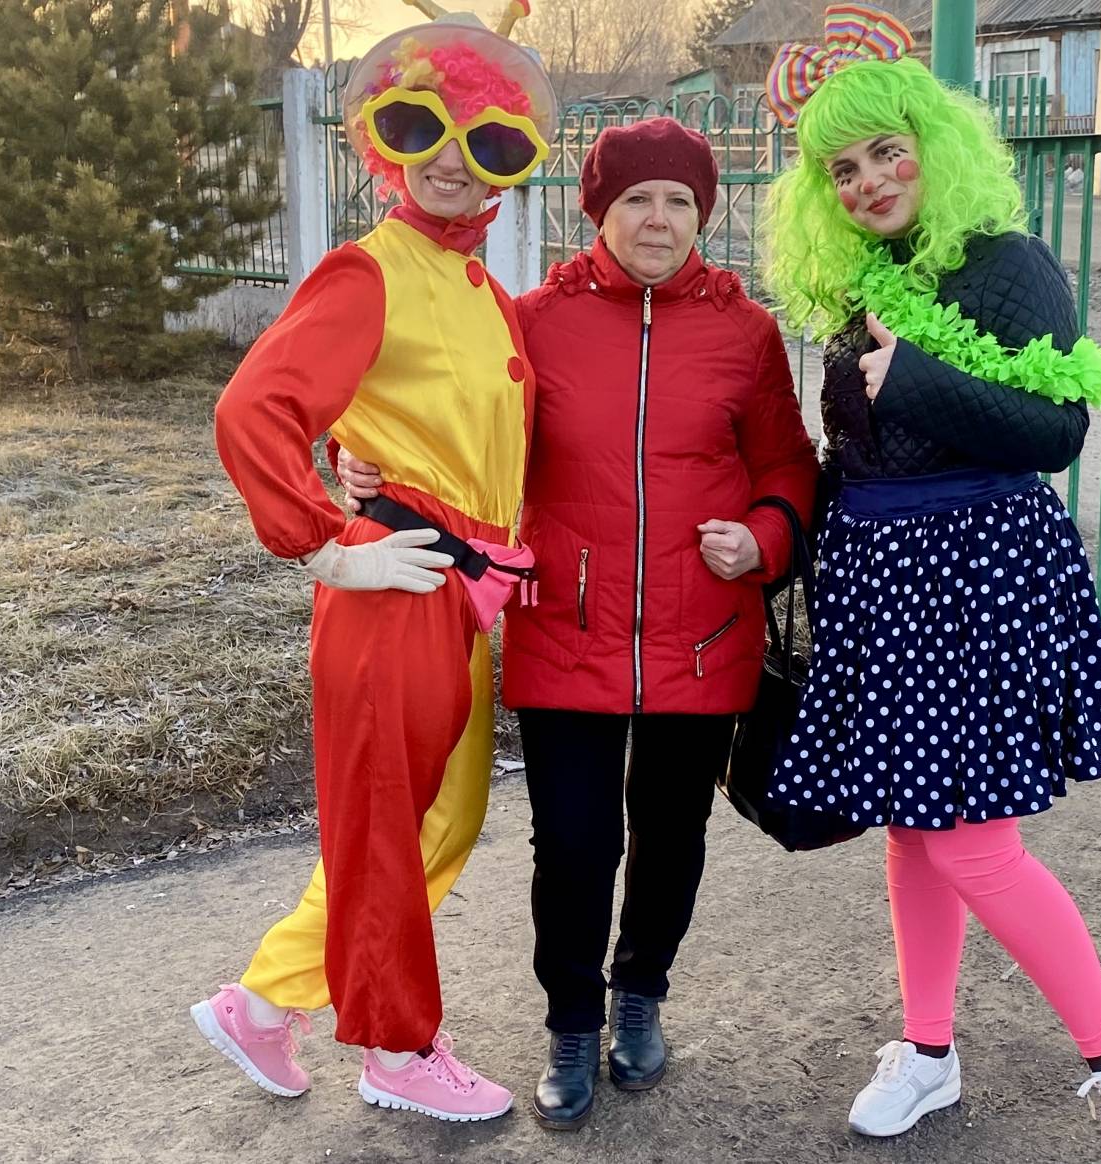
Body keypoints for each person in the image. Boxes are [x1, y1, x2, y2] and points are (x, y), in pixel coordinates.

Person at [339, 115, 819, 1129]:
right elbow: (453, 422)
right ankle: (570, 1019)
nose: (658, 220)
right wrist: (364, 460)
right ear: (596, 210)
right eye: (636, 199)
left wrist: (765, 536)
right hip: (565, 622)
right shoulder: (531, 322)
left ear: (703, 214)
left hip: (702, 634)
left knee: (671, 836)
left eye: (679, 201)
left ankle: (639, 994)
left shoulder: (745, 332)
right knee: (571, 844)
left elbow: (786, 461)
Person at [759, 8, 1101, 1164]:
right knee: (912, 827)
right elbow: (856, 448)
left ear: (931, 147)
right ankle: (927, 1049)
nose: (866, 181)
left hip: (980, 573)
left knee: (972, 844)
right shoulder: (864, 278)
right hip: (881, 575)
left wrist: (913, 378)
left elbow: (1054, 433)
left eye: (884, 152)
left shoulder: (1008, 265)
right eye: (841, 170)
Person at [191, 6, 556, 1122]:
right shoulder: (369, 271)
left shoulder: (481, 291)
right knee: (396, 827)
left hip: (459, 594)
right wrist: (325, 549)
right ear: (385, 140)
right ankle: (398, 1050)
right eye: (423, 129)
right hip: (395, 583)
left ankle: (263, 1002)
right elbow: (254, 411)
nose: (453, 160)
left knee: (439, 821)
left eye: (489, 142)